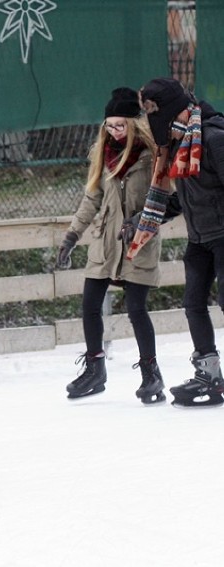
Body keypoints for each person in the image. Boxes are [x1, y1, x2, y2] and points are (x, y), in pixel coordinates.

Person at [57, 87, 165, 404]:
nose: (114, 131)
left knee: (136, 309)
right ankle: (95, 368)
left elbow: (165, 202)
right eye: (110, 125)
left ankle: (151, 374)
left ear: (134, 125)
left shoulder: (152, 156)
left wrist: (142, 221)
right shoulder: (103, 156)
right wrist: (71, 237)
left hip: (137, 243)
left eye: (121, 125)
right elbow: (92, 199)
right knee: (90, 305)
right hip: (105, 242)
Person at [129, 77, 224, 407]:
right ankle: (209, 375)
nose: (163, 134)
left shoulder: (212, 139)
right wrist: (140, 222)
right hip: (200, 238)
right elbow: (180, 200)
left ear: (180, 114)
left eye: (165, 124)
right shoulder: (181, 148)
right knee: (193, 304)